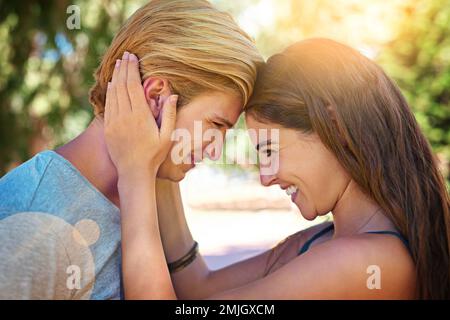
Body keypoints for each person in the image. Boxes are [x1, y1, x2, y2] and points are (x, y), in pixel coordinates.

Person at [105, 39, 450, 299]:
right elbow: (197, 288)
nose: (265, 176)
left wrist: (134, 174)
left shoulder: (364, 262)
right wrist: (163, 156)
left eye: (269, 149)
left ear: (335, 127)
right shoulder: (323, 240)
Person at [0, 0, 262, 299]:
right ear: (155, 96)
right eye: (215, 125)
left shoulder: (145, 191)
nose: (215, 151)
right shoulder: (30, 222)